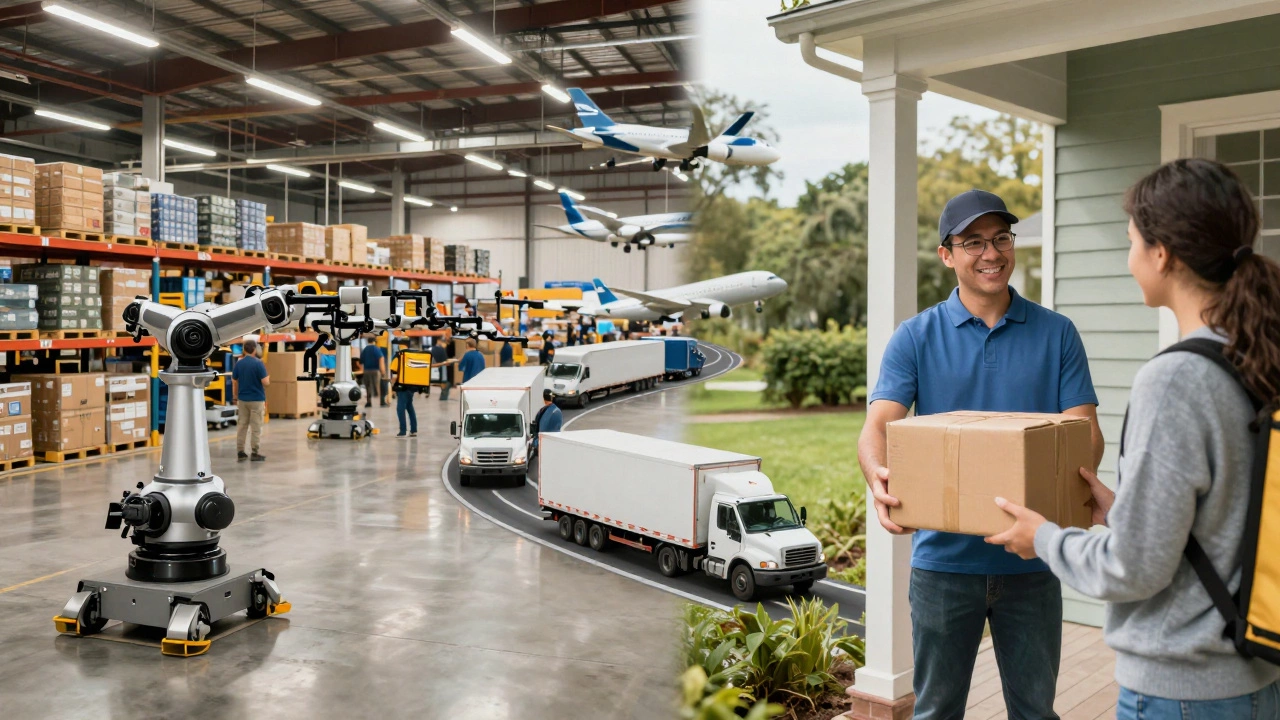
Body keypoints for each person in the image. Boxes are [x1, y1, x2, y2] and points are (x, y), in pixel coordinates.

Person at [988, 159, 1280, 719]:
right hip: (1254, 679)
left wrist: (1042, 538)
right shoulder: (1255, 357)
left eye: (1131, 242)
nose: (1129, 259)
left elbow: (1133, 568)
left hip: (1183, 693)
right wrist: (1126, 511)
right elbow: (1227, 515)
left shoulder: (1175, 379)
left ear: (1161, 254)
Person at [857, 189, 1104, 720]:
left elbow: (1085, 432)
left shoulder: (1057, 333)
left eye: (1000, 239)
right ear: (947, 255)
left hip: (1033, 560)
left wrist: (1064, 484)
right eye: (973, 242)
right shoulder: (915, 336)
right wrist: (879, 479)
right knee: (937, 713)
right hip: (943, 564)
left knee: (1035, 713)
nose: (991, 253)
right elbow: (877, 427)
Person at [231, 339, 269, 462]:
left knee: (242, 426)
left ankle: (240, 452)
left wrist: (235, 396)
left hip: (242, 400)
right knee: (256, 427)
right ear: (254, 349)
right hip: (256, 399)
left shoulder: (239, 363)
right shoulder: (258, 363)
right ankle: (254, 452)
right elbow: (266, 382)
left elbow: (234, 381)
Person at [529, 389, 563, 460]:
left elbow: (538, 427)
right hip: (552, 443)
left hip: (542, 442)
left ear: (543, 399)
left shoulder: (542, 411)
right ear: (552, 398)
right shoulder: (557, 411)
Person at [389, 364, 418, 439]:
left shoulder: (397, 359)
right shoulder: (409, 358)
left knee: (400, 409)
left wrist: (392, 385)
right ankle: (413, 430)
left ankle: (403, 431)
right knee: (409, 407)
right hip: (411, 385)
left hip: (402, 387)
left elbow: (395, 375)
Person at [359, 337, 386, 408]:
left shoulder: (364, 350)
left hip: (366, 370)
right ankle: (382, 402)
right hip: (375, 370)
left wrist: (362, 370)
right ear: (374, 341)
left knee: (368, 386)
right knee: (378, 386)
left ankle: (368, 402)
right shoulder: (376, 349)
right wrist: (383, 371)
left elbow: (361, 361)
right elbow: (381, 358)